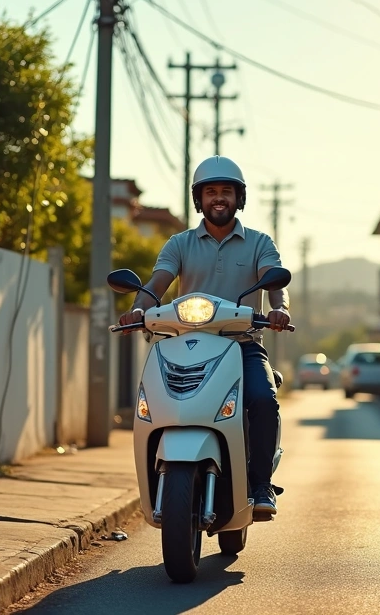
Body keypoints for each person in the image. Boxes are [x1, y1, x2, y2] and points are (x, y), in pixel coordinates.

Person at [118, 155, 291, 518]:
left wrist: (281, 309)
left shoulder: (259, 242)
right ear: (199, 199)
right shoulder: (179, 244)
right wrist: (139, 309)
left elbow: (275, 283)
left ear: (238, 198)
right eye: (210, 191)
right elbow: (156, 286)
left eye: (226, 191)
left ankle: (260, 485)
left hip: (242, 344)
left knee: (263, 400)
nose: (218, 198)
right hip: (186, 343)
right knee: (155, 405)